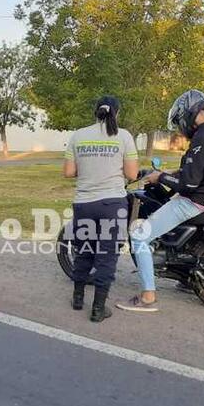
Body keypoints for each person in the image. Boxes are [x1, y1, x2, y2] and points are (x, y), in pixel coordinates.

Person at [116, 89, 204, 312]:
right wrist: (176, 171)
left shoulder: (203, 135)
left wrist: (160, 177)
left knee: (138, 236)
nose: (180, 126)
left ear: (188, 112)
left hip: (194, 201)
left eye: (179, 120)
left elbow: (188, 186)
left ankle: (147, 297)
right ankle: (185, 278)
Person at [64, 96, 139, 323]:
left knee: (84, 249)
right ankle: (98, 309)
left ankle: (78, 299)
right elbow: (132, 174)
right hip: (112, 205)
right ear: (117, 113)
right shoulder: (124, 136)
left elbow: (68, 172)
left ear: (95, 112)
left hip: (84, 204)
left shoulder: (78, 135)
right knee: (107, 256)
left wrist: (88, 168)